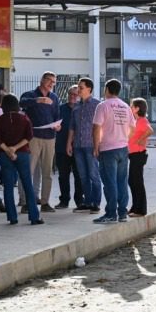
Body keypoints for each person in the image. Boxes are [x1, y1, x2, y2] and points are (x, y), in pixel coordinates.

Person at [0, 94, 44, 225]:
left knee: (8, 186)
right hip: (22, 154)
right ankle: (34, 216)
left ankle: (12, 217)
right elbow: (29, 136)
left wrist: (8, 150)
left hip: (5, 155)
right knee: (27, 184)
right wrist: (15, 148)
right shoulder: (24, 118)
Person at [92, 79, 135, 224]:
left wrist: (96, 146)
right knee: (121, 181)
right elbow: (132, 127)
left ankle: (111, 213)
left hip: (108, 149)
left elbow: (96, 128)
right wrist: (123, 138)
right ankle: (122, 212)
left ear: (107, 89)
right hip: (123, 148)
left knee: (110, 182)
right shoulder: (125, 107)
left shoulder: (102, 106)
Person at [20, 71, 61, 213]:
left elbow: (57, 116)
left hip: (50, 137)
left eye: (54, 82)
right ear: (42, 80)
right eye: (49, 80)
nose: (51, 84)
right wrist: (38, 100)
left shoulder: (54, 97)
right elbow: (22, 103)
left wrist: (58, 125)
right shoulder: (30, 94)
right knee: (28, 170)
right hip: (33, 137)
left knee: (47, 172)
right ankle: (25, 202)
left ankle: (45, 202)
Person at [68, 78, 102, 214]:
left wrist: (98, 145)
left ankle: (96, 203)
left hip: (91, 145)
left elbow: (101, 126)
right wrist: (68, 144)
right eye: (78, 87)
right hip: (77, 146)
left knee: (94, 175)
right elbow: (72, 126)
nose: (78, 90)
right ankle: (87, 202)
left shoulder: (97, 105)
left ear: (89, 89)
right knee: (83, 176)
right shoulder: (76, 106)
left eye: (81, 87)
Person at [55, 85, 83, 209]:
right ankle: (64, 200)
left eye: (75, 94)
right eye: (70, 94)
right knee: (63, 175)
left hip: (79, 148)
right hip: (61, 147)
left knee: (79, 175)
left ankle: (80, 200)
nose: (72, 96)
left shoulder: (83, 109)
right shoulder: (60, 109)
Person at [128, 97, 153, 217]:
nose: (130, 108)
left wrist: (140, 140)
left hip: (138, 154)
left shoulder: (142, 120)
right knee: (132, 181)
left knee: (137, 182)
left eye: (132, 106)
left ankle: (141, 209)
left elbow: (150, 131)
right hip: (133, 154)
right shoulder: (135, 121)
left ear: (137, 108)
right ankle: (135, 207)